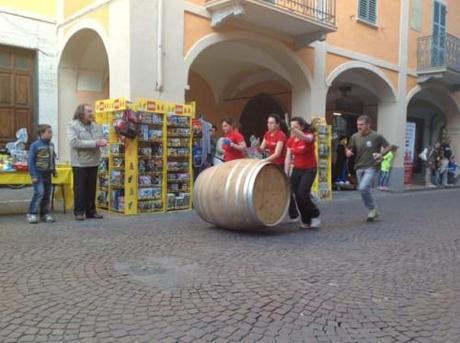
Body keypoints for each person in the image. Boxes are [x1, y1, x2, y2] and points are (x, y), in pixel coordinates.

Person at [346, 115, 389, 222]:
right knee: (364, 190)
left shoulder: (376, 136)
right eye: (357, 124)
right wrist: (347, 152)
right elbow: (348, 148)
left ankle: (371, 210)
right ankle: (373, 210)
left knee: (363, 187)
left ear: (368, 125)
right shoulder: (354, 136)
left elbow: (389, 146)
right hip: (359, 166)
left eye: (361, 124)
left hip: (372, 166)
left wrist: (381, 154)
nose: (359, 127)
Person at [68, 104, 107, 221]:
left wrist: (104, 141)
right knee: (80, 189)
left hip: (94, 162)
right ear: (81, 113)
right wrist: (95, 143)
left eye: (92, 111)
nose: (92, 113)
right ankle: (79, 212)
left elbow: (100, 138)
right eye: (89, 111)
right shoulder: (72, 125)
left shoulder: (95, 126)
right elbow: (74, 142)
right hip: (80, 163)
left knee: (91, 188)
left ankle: (91, 211)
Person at [285, 116, 320, 229]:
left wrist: (296, 132)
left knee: (303, 194)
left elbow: (307, 139)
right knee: (297, 196)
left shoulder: (309, 135)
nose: (293, 129)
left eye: (296, 127)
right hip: (297, 169)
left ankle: (314, 214)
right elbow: (288, 157)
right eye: (292, 127)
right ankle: (306, 220)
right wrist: (286, 173)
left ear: (302, 127)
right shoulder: (290, 140)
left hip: (310, 168)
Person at [27, 124, 57, 224]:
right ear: (41, 133)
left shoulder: (51, 145)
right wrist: (33, 175)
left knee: (47, 195)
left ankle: (45, 214)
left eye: (51, 132)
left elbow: (52, 158)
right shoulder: (35, 145)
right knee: (39, 193)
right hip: (38, 173)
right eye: (48, 132)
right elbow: (30, 161)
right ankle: (32, 213)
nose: (51, 134)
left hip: (48, 174)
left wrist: (54, 170)